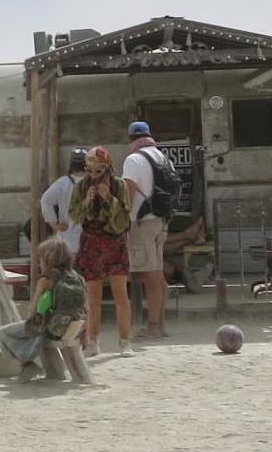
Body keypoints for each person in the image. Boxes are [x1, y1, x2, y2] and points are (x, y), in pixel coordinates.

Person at [71, 146, 135, 354]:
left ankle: (124, 342)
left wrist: (109, 200)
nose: (93, 176)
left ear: (107, 168)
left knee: (120, 294)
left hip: (114, 240)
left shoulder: (119, 185)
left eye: (98, 171)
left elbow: (125, 219)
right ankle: (93, 342)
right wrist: (86, 201)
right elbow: (74, 216)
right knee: (93, 296)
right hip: (91, 241)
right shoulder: (81, 187)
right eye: (89, 171)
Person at [0, 237, 84, 380]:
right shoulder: (78, 278)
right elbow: (86, 307)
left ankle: (28, 364)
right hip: (71, 328)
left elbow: (32, 312)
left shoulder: (46, 280)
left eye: (41, 260)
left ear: (48, 261)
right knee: (31, 333)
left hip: (50, 328)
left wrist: (32, 316)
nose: (39, 264)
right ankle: (35, 364)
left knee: (2, 333)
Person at [120, 122, 175, 339]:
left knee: (149, 277)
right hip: (160, 222)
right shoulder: (163, 158)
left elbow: (129, 193)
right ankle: (159, 325)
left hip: (141, 223)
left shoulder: (133, 160)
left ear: (131, 139)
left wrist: (122, 220)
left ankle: (153, 326)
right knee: (158, 275)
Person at [38, 149, 84, 261]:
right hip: (90, 238)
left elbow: (46, 200)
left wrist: (54, 223)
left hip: (68, 238)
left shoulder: (63, 183)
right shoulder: (94, 182)